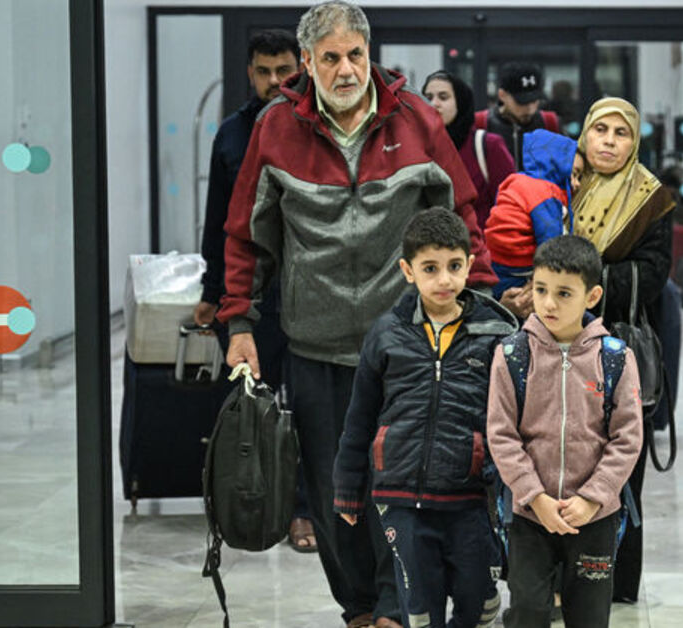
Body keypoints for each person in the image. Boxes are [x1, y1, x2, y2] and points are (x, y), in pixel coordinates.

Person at [218, 3, 495, 627]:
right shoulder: (275, 127)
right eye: (331, 58)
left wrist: (477, 311)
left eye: (355, 55)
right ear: (308, 62)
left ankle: (397, 608)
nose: (346, 70)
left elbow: (463, 218)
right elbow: (244, 237)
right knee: (331, 492)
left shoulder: (416, 119)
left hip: (404, 344)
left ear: (369, 54)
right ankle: (360, 610)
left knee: (400, 489)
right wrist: (239, 324)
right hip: (315, 346)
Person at [334, 208, 513, 628]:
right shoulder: (386, 334)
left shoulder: (496, 334)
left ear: (470, 265)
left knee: (474, 595)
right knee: (418, 606)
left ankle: (482, 602)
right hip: (400, 495)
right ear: (408, 271)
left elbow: (511, 418)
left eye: (454, 266)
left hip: (468, 494)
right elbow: (359, 418)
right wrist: (347, 488)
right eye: (430, 268)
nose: (444, 279)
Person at [191, 28, 319, 556]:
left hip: (309, 290)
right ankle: (253, 502)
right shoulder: (231, 134)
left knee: (307, 407)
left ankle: (304, 508)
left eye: (283, 70)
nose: (273, 81)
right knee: (251, 404)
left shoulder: (313, 126)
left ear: (300, 69)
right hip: (249, 294)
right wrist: (211, 290)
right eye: (263, 71)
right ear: (249, 73)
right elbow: (219, 220)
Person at [487, 235, 643, 628]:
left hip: (595, 517)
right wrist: (534, 496)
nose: (549, 303)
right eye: (540, 289)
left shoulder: (616, 358)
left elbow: (627, 438)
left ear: (592, 296)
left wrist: (592, 498)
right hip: (530, 514)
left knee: (589, 616)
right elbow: (502, 435)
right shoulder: (511, 355)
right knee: (528, 611)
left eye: (563, 293)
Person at [570, 97, 675, 604]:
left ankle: (616, 580)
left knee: (621, 463)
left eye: (621, 133)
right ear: (585, 135)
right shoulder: (565, 185)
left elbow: (653, 275)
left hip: (618, 351)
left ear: (635, 142)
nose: (609, 142)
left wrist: (577, 283)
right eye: (600, 130)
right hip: (559, 349)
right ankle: (564, 582)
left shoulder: (651, 199)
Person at [483, 129, 581, 300]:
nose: (577, 183)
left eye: (579, 177)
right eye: (572, 174)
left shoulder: (516, 179)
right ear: (556, 166)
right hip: (520, 265)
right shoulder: (546, 193)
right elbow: (550, 242)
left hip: (494, 257)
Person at [422, 71, 515, 231]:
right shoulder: (416, 147)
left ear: (460, 102)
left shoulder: (488, 146)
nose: (434, 103)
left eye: (443, 97)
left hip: (479, 242)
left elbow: (510, 207)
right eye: (428, 97)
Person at [475, 62, 560, 169]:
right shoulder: (480, 125)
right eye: (522, 102)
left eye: (534, 101)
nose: (530, 109)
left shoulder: (550, 124)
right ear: (502, 95)